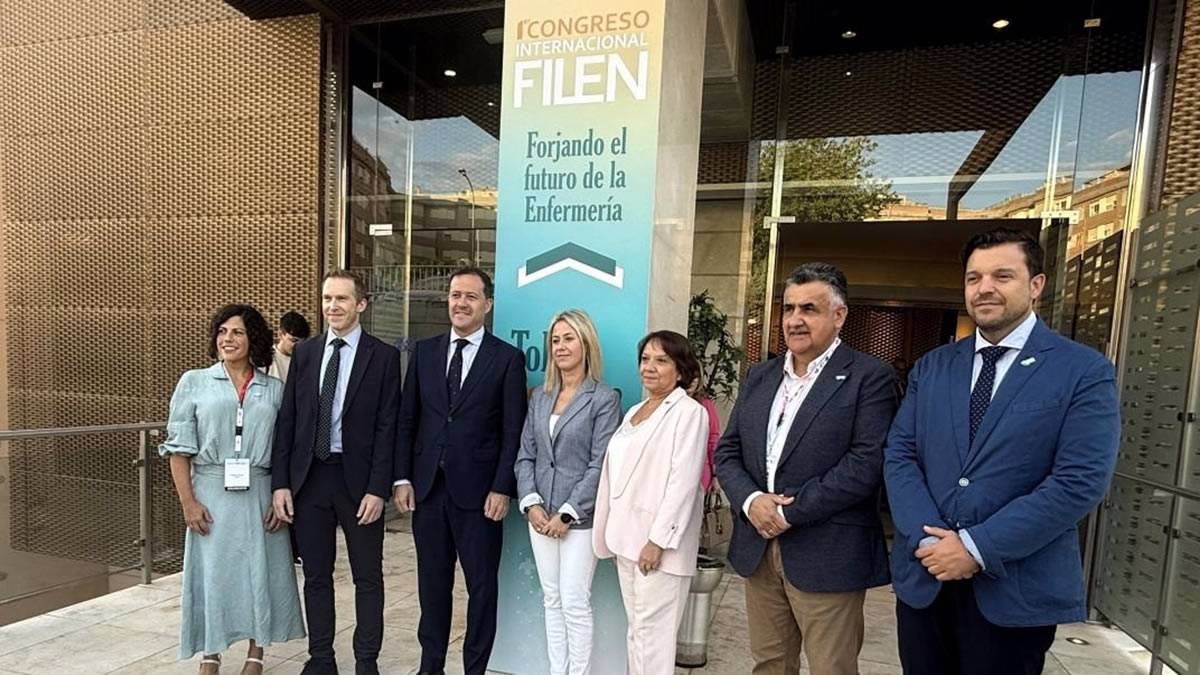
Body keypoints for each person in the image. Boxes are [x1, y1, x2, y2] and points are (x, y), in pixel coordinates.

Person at [884, 228, 1120, 675]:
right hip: (927, 579)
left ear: (1036, 285)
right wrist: (930, 542)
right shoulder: (933, 366)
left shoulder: (1083, 371)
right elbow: (901, 453)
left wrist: (975, 547)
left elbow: (1080, 481)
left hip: (1015, 590)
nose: (985, 288)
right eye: (974, 278)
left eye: (1002, 276)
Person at [713, 262, 896, 675]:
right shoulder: (760, 376)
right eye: (789, 308)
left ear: (839, 315)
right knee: (770, 664)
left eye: (809, 309)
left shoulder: (869, 377)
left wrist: (787, 512)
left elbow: (867, 464)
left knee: (832, 668)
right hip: (759, 547)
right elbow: (728, 451)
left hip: (827, 553)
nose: (794, 320)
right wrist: (751, 501)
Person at [392, 266, 528, 675]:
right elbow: (408, 420)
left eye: (471, 296)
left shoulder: (507, 359)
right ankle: (430, 666)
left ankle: (475, 669)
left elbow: (513, 430)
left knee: (481, 590)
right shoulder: (425, 352)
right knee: (433, 588)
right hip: (429, 490)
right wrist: (403, 477)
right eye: (455, 295)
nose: (461, 303)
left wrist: (502, 487)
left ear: (487, 304)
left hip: (480, 497)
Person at [161, 304, 305, 675]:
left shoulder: (274, 389)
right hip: (210, 493)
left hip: (261, 493)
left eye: (237, 332)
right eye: (222, 331)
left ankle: (256, 652)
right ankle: (211, 652)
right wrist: (188, 502)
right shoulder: (194, 382)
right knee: (214, 576)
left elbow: (287, 449)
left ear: (253, 338)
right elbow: (178, 450)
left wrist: (281, 494)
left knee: (261, 573)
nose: (228, 339)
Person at [271, 271, 401, 675]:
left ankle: (366, 662)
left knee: (368, 577)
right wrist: (281, 483)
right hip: (310, 480)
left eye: (342, 299)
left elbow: (388, 427)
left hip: (359, 483)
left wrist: (378, 488)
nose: (333, 306)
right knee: (316, 576)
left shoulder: (383, 357)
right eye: (327, 298)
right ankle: (321, 659)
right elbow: (288, 421)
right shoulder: (306, 353)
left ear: (361, 304)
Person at [592, 330, 708, 675]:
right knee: (638, 633)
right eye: (645, 359)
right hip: (626, 540)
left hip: (658, 547)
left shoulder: (689, 412)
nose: (650, 367)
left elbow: (683, 482)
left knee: (653, 640)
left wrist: (657, 541)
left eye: (662, 360)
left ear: (681, 370)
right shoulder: (635, 410)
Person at [515, 309, 621, 675]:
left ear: (586, 343)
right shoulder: (540, 397)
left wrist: (567, 512)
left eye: (568, 339)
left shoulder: (603, 399)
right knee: (551, 599)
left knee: (574, 602)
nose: (560, 346)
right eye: (555, 340)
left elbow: (599, 464)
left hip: (578, 519)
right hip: (539, 516)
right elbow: (526, 455)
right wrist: (531, 504)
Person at [687, 374, 721, 492]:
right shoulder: (667, 403)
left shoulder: (705, 404)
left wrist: (715, 475)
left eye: (696, 376)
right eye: (688, 374)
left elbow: (713, 439)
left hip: (699, 472)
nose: (692, 380)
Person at [269, 310, 312, 382]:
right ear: (280, 334)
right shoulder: (267, 358)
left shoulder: (305, 360)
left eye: (302, 342)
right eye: (293, 341)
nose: (298, 346)